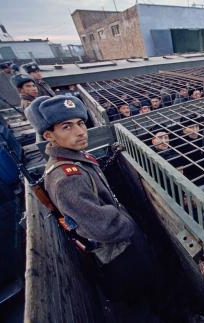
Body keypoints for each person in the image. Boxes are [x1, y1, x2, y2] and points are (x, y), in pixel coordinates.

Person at [24, 95, 159, 305]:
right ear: (49, 135)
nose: (80, 131)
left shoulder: (74, 158)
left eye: (80, 123)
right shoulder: (67, 178)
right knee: (143, 296)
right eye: (67, 127)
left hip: (122, 243)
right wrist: (129, 221)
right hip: (120, 252)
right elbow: (103, 228)